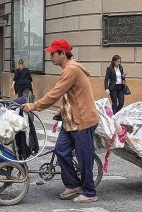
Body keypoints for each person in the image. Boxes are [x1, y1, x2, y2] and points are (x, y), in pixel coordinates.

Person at [23, 38, 99, 203]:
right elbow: (71, 95)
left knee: (84, 157)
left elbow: (55, 93)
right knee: (61, 150)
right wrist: (62, 110)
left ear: (62, 53)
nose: (50, 56)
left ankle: (89, 192)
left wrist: (34, 106)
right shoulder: (69, 68)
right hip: (70, 121)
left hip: (83, 121)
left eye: (53, 53)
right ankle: (73, 184)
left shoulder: (71, 69)